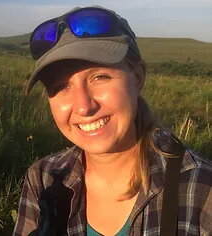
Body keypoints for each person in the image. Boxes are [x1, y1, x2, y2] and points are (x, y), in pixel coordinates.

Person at [13, 6, 212, 236]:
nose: (83, 106)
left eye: (100, 77)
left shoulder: (201, 190)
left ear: (137, 77)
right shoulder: (43, 178)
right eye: (60, 87)